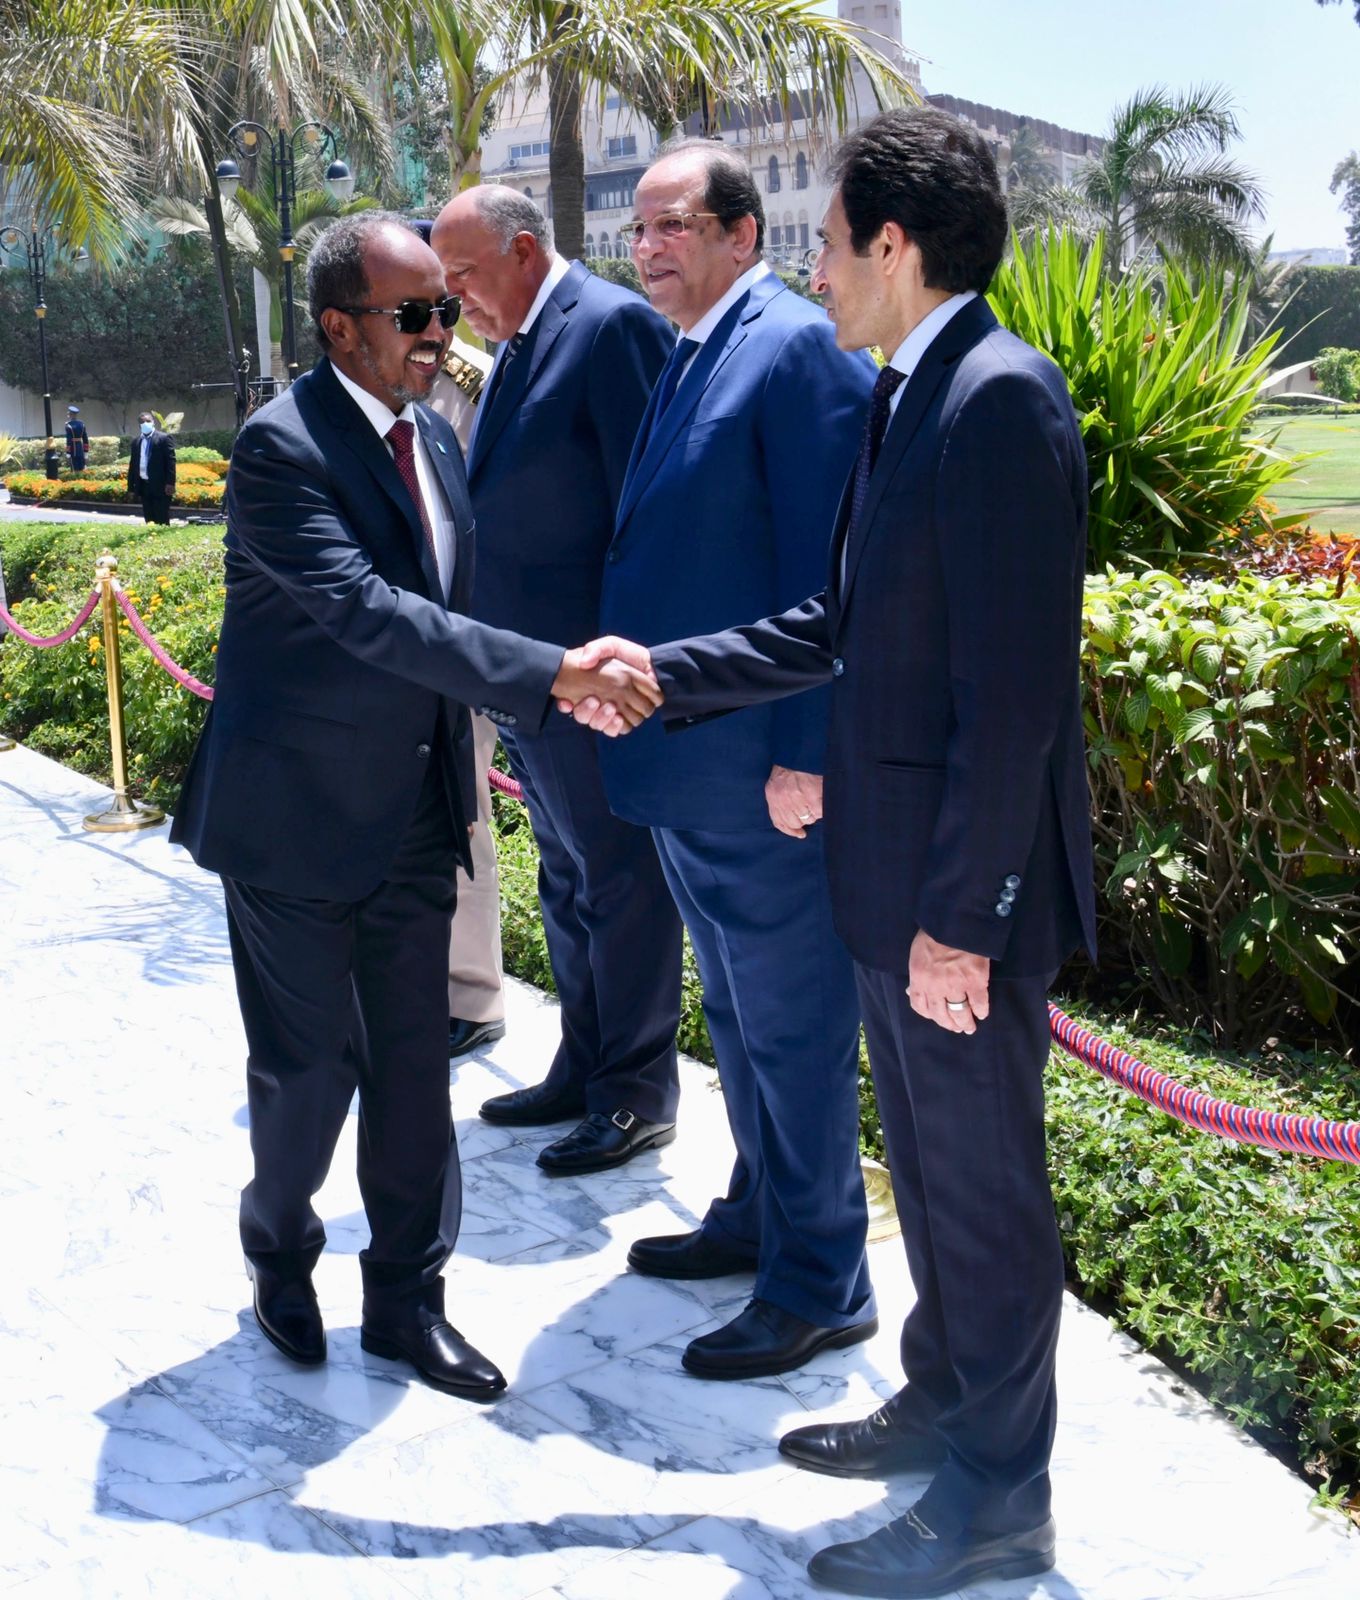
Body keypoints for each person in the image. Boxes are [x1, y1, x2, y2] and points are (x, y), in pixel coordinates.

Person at [581, 106, 1098, 1597]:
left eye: (827, 242)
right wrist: (665, 670)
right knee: (928, 1182)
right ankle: (942, 1403)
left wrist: (963, 919)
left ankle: (1000, 1500)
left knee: (983, 1201)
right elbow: (838, 626)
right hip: (890, 885)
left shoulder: (1000, 399)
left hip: (952, 905)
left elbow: (1014, 699)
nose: (813, 271)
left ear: (895, 244)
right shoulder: (905, 393)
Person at [169, 212, 661, 1401]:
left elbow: (454, 604)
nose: (443, 331)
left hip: (414, 814)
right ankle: (277, 1247)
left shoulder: (434, 435)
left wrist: (566, 677)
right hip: (293, 822)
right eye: (414, 313)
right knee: (307, 1076)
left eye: (445, 306)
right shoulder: (279, 449)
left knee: (410, 1073)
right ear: (339, 327)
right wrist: (552, 673)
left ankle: (405, 1300)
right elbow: (372, 614)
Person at [595, 138, 878, 1377]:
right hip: (693, 770)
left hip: (765, 773)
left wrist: (807, 753)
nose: (646, 247)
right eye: (638, 229)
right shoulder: (697, 345)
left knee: (794, 1027)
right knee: (741, 1017)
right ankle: (761, 1212)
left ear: (742, 234)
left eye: (672, 225)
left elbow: (834, 577)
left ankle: (822, 1280)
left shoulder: (796, 348)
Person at [430, 186, 685, 1176]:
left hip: (590, 677)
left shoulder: (609, 326)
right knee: (569, 878)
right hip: (534, 680)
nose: (453, 298)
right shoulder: (521, 339)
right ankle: (583, 1065)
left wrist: (619, 665)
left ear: (525, 251)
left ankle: (635, 1092)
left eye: (464, 275)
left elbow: (647, 509)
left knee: (619, 883)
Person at [420, 314, 509, 1059]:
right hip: (398, 636)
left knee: (465, 809)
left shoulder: (476, 383)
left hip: (463, 632)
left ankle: (471, 992)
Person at [126, 412, 176, 524]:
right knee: (149, 518)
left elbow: (171, 461)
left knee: (162, 517)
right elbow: (133, 465)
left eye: (148, 421)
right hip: (144, 485)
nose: (145, 423)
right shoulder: (136, 442)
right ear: (139, 425)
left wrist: (170, 483)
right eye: (142, 422)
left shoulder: (164, 438)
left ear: (153, 422)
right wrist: (131, 488)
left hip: (161, 486)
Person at [64, 405, 89, 473]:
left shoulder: (68, 425)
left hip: (73, 449)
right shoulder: (82, 424)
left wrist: (68, 453)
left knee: (74, 469)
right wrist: (86, 452)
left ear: (71, 414)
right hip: (80, 449)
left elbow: (68, 440)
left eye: (69, 413)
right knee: (82, 468)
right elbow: (85, 439)